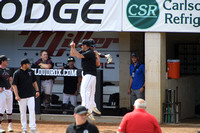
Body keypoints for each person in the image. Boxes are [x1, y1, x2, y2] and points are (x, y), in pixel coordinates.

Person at [70, 39, 101, 121]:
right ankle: (91, 109)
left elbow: (79, 56)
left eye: (82, 45)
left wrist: (73, 47)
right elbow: (73, 54)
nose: (81, 46)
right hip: (89, 75)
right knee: (90, 92)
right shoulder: (85, 51)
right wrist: (72, 48)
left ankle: (85, 109)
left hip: (89, 74)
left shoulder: (90, 52)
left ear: (86, 46)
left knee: (84, 90)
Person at [12, 58, 40, 133]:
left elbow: (34, 82)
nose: (29, 65)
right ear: (24, 65)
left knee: (32, 111)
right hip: (21, 96)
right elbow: (14, 85)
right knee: (23, 112)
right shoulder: (17, 73)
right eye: (28, 64)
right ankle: (24, 128)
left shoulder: (30, 71)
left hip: (31, 95)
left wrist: (37, 90)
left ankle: (32, 127)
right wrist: (16, 95)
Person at [0, 55, 13, 132]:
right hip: (2, 91)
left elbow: (11, 79)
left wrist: (11, 87)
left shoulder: (8, 70)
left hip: (8, 90)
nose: (7, 62)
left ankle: (10, 125)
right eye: (6, 61)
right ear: (2, 61)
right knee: (1, 109)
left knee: (9, 108)